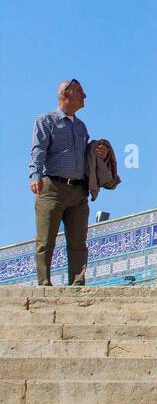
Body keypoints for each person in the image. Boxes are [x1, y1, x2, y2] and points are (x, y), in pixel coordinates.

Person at [29, 80, 108, 287]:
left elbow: (85, 154)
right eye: (80, 91)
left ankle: (78, 282)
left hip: (78, 191)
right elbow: (39, 150)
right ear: (66, 94)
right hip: (52, 188)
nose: (85, 95)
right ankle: (44, 283)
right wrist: (35, 175)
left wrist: (98, 151)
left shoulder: (81, 126)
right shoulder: (46, 121)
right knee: (45, 240)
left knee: (78, 242)